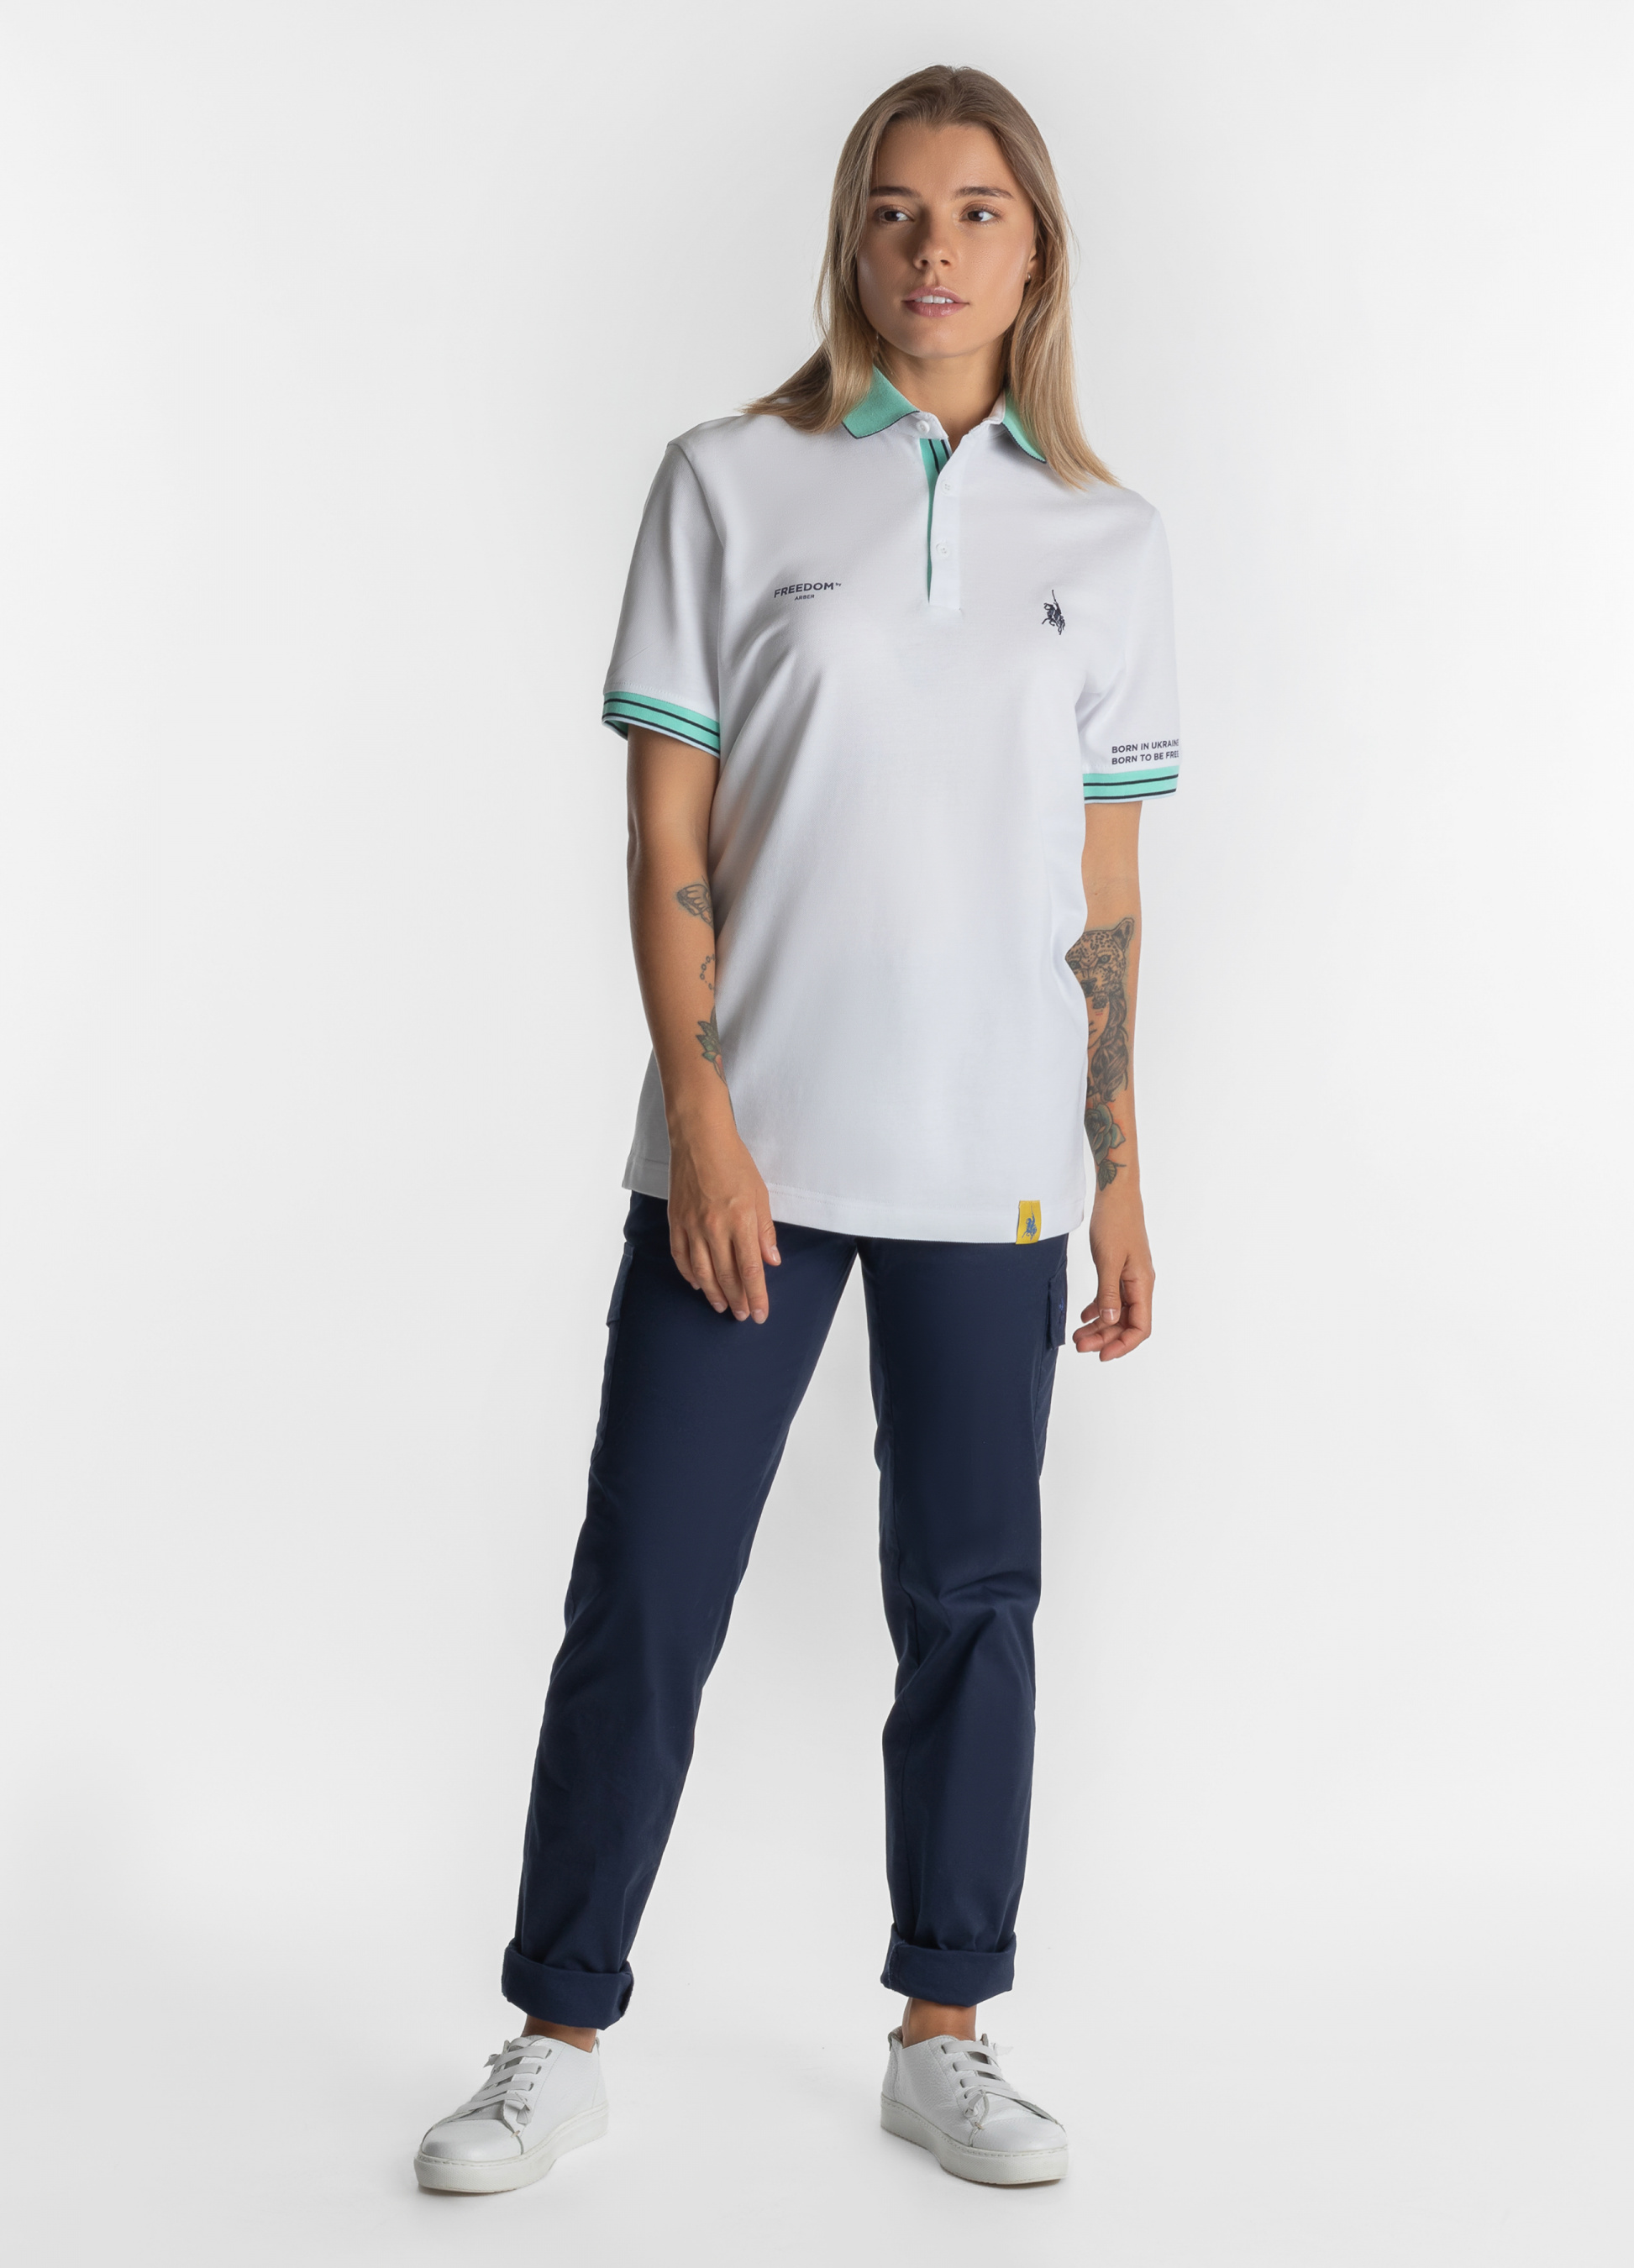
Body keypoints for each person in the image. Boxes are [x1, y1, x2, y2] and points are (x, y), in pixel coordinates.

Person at [414, 60, 1180, 2194]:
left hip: (996, 1164)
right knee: (647, 1590)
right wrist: (704, 1119)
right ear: (851, 240)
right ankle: (554, 2033)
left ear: (1035, 251)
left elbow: (1103, 893)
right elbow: (664, 833)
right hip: (745, 1157)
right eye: (894, 211)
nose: (933, 249)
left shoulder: (1105, 541)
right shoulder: (727, 483)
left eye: (975, 211)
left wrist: (1120, 1170)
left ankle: (945, 2029)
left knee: (972, 1603)